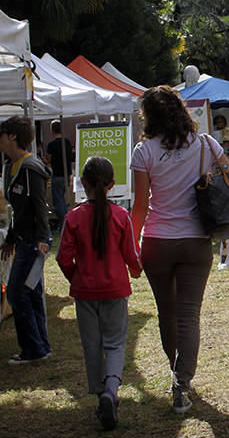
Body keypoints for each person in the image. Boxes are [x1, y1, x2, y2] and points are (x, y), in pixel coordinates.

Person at [130, 86, 229, 414]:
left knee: (166, 314)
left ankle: (176, 373)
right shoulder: (206, 144)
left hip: (156, 242)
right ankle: (181, 384)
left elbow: (139, 206)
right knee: (188, 316)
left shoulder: (143, 152)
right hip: (196, 242)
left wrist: (130, 248)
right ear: (181, 110)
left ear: (148, 116)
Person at [56, 156, 142, 430]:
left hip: (85, 292)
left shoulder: (73, 217)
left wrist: (76, 277)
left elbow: (62, 257)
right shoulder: (121, 216)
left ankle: (99, 391)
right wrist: (136, 270)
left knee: (91, 345)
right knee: (115, 343)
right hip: (115, 290)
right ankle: (111, 391)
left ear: (83, 184)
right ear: (112, 185)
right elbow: (132, 254)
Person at [0, 116, 53, 364]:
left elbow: (40, 206)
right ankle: (40, 346)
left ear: (12, 136)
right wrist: (10, 236)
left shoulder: (30, 167)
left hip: (32, 239)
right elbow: (18, 210)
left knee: (18, 293)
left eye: (1, 133)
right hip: (23, 237)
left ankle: (33, 349)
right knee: (29, 292)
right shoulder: (14, 166)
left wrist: (42, 237)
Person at [45, 119, 73, 230]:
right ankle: (65, 222)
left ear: (52, 130)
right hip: (67, 174)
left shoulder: (51, 144)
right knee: (64, 199)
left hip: (57, 174)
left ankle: (64, 223)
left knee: (58, 201)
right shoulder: (67, 142)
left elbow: (48, 159)